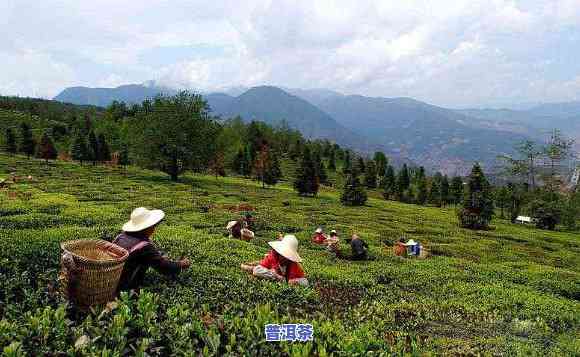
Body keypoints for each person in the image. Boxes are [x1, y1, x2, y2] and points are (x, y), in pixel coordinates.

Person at [113, 207, 190, 292]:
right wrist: (181, 264)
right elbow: (165, 268)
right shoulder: (144, 247)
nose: (154, 228)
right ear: (146, 227)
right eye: (153, 226)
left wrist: (158, 255)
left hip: (113, 279)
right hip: (125, 287)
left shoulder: (121, 236)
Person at [241, 235, 308, 286]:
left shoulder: (294, 265)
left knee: (256, 268)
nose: (284, 257)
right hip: (273, 273)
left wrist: (294, 281)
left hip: (277, 275)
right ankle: (249, 266)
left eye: (287, 256)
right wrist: (277, 277)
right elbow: (257, 270)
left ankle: (249, 267)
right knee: (256, 269)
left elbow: (305, 281)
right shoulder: (273, 256)